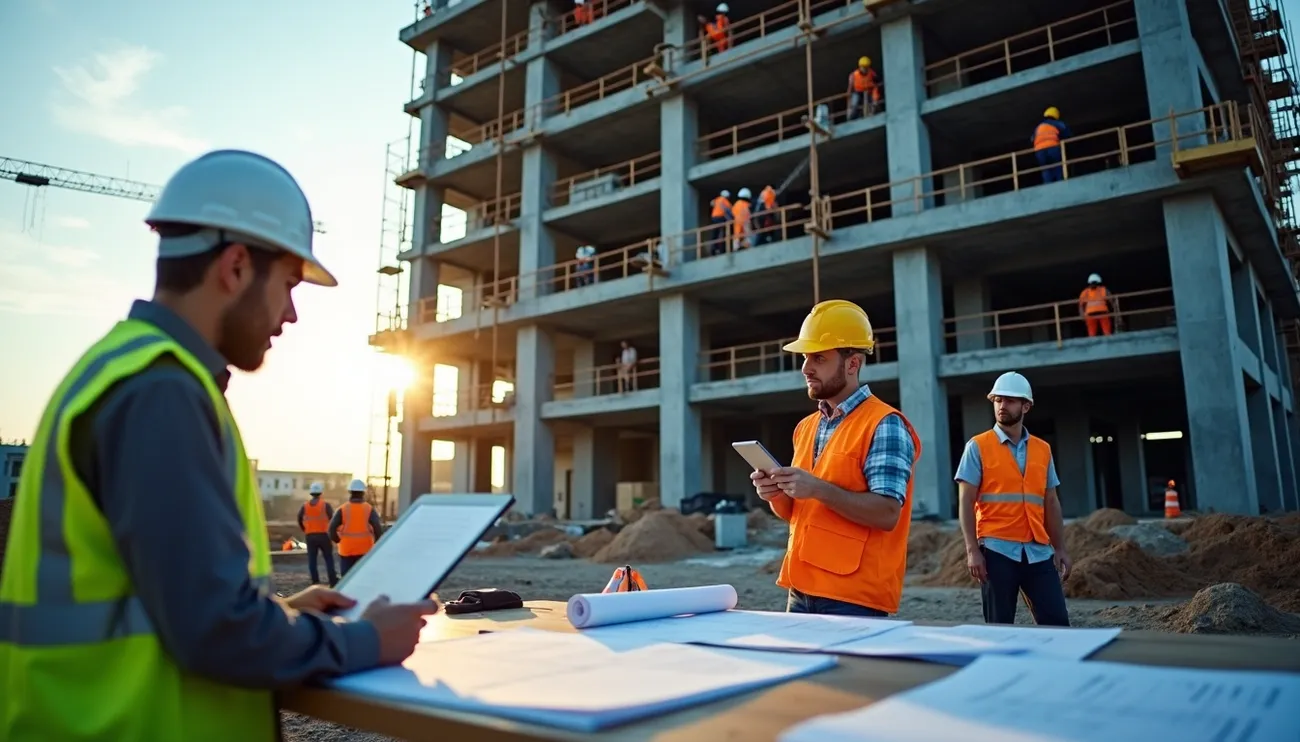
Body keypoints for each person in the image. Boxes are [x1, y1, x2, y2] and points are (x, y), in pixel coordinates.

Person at [0, 149, 438, 741]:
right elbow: (215, 632)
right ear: (234, 267)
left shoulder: (124, 371)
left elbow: (164, 602)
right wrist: (366, 639)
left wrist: (282, 615)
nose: (291, 314)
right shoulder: (161, 393)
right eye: (287, 284)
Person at [751, 300, 921, 617]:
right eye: (805, 357)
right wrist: (775, 495)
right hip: (800, 589)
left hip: (854, 598)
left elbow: (887, 513)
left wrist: (818, 488)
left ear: (853, 364)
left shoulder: (885, 424)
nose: (805, 368)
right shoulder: (806, 428)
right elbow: (802, 514)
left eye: (819, 358)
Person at [955, 371, 1072, 627]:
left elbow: (1050, 501)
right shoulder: (977, 446)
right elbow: (965, 502)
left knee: (1058, 624)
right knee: (999, 627)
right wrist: (972, 550)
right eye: (998, 400)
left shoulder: (1043, 449)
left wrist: (1060, 547)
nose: (1002, 406)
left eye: (1009, 400)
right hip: (997, 551)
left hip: (1038, 550)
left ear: (1026, 406)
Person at [330, 478, 385, 576]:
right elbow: (378, 528)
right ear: (363, 492)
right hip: (364, 549)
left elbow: (332, 528)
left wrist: (337, 540)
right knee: (362, 577)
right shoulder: (369, 509)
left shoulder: (342, 509)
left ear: (350, 492)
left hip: (346, 549)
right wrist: (375, 542)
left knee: (346, 578)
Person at [299, 481, 338, 586]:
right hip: (324, 535)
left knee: (312, 560)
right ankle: (333, 581)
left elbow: (299, 518)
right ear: (321, 493)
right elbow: (333, 520)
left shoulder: (305, 506)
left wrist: (305, 529)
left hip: (310, 536)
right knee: (328, 558)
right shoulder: (325, 505)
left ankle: (315, 582)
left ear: (311, 493)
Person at [1031, 106, 1072, 183]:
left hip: (1039, 151)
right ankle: (1060, 182)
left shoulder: (1038, 127)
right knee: (1057, 166)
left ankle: (1047, 184)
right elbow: (1067, 134)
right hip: (1052, 148)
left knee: (1046, 169)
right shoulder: (1057, 124)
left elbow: (1032, 138)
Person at [1078, 273, 1116, 337]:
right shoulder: (1085, 292)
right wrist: (1082, 315)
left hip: (1102, 313)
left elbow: (1112, 301)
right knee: (1092, 334)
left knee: (1107, 332)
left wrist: (1115, 311)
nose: (1093, 284)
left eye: (1095, 283)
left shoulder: (1103, 290)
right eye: (1093, 283)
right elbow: (1081, 305)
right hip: (1091, 315)